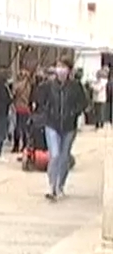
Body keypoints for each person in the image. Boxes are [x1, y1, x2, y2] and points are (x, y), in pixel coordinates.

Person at [40, 58, 88, 202]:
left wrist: (74, 112)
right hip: (52, 124)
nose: (60, 69)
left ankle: (60, 185)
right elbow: (41, 100)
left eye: (63, 67)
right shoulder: (48, 86)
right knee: (54, 155)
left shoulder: (76, 86)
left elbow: (83, 103)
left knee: (64, 156)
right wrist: (46, 113)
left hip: (68, 126)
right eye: (58, 66)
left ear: (69, 70)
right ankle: (52, 186)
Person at [11, 69, 33, 153]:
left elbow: (15, 92)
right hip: (26, 108)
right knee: (24, 128)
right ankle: (24, 144)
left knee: (18, 127)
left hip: (19, 107)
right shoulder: (29, 85)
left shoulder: (20, 85)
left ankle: (16, 145)